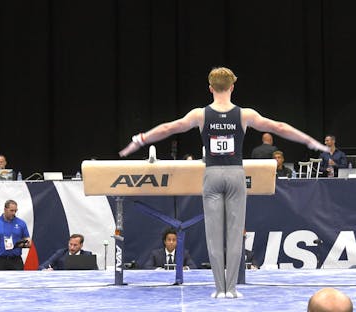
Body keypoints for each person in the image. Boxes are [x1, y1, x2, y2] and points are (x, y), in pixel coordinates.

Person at [119, 67, 328, 298]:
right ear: (232, 87)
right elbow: (278, 127)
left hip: (212, 175)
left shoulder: (200, 115)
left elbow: (170, 127)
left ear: (210, 88)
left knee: (214, 235)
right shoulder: (244, 114)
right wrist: (310, 141)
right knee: (235, 233)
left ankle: (220, 290)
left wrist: (140, 139)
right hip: (236, 175)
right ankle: (233, 289)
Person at [0, 199, 32, 270]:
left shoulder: (21, 223)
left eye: (15, 211)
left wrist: (22, 244)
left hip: (16, 260)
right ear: (5, 209)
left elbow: (28, 241)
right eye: (11, 210)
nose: (14, 213)